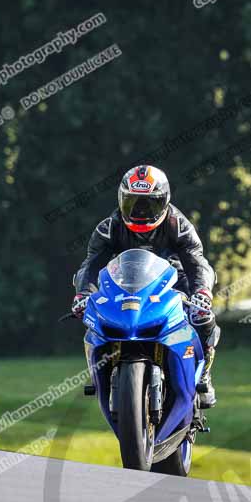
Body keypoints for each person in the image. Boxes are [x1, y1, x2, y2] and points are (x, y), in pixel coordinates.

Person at [72, 165, 219, 407]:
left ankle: (203, 374)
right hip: (127, 286)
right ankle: (100, 371)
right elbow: (91, 264)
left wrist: (201, 292)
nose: (140, 211)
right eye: (133, 203)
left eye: (149, 204)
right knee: (93, 317)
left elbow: (196, 261)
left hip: (174, 284)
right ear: (121, 200)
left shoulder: (178, 225)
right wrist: (83, 294)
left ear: (164, 201)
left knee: (202, 317)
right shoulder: (109, 227)